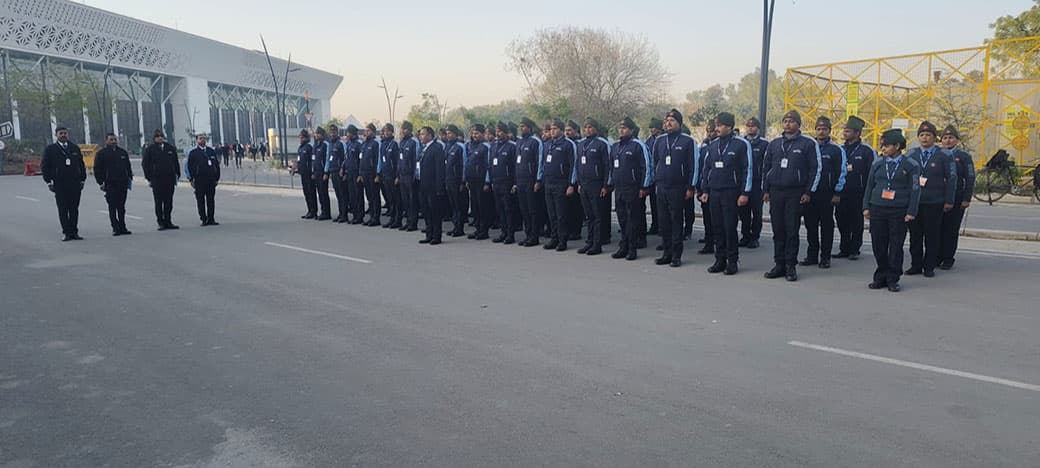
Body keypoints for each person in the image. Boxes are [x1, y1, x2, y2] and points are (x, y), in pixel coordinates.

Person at [762, 110, 821, 282]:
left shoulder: (807, 144)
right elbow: (765, 167)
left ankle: (790, 266)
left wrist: (808, 191)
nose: (788, 124)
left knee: (791, 230)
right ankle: (778, 263)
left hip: (795, 192)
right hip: (776, 192)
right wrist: (765, 190)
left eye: (791, 121)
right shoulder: (774, 143)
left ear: (798, 124)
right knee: (778, 229)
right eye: (785, 121)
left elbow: (814, 169)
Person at [864, 129, 921, 292]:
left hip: (898, 210)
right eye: (882, 146)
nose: (883, 149)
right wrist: (866, 206)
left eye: (887, 146)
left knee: (895, 246)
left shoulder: (910, 165)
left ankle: (893, 278)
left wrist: (911, 211)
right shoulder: (878, 163)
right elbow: (869, 186)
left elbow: (915, 189)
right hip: (878, 208)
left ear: (897, 146)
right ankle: (880, 276)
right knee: (878, 245)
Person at [699, 112, 752, 274]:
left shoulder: (741, 144)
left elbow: (747, 169)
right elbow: (706, 169)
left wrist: (745, 192)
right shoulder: (712, 145)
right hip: (714, 191)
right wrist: (705, 190)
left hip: (731, 192)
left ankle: (732, 261)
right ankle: (719, 259)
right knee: (717, 227)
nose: (717, 128)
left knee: (730, 227)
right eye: (716, 125)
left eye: (720, 125)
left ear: (729, 126)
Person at [904, 121, 956, 278]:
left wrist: (949, 200)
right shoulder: (911, 154)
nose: (925, 138)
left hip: (935, 201)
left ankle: (929, 266)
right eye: (921, 135)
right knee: (915, 236)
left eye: (928, 135)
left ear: (935, 138)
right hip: (915, 203)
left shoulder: (945, 155)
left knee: (932, 235)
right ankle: (916, 265)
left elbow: (952, 178)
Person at [651, 109, 698, 267]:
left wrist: (691, 186)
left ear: (679, 123)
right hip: (662, 186)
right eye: (666, 121)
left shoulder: (688, 141)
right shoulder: (660, 140)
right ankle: (666, 253)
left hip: (678, 187)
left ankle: (676, 256)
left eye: (672, 120)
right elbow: (655, 162)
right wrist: (655, 180)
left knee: (676, 221)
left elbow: (693, 166)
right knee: (663, 222)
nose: (668, 123)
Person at [800, 116, 847, 269]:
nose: (821, 132)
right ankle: (812, 255)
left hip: (827, 193)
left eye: (824, 129)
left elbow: (842, 172)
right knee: (810, 225)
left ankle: (825, 256)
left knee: (826, 226)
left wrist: (837, 192)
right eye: (818, 129)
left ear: (829, 131)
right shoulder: (808, 146)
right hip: (810, 193)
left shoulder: (836, 149)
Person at [609, 117, 653, 261]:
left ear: (631, 130)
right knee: (622, 218)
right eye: (620, 128)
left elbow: (646, 167)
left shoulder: (638, 145)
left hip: (633, 188)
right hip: (619, 188)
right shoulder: (615, 146)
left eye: (625, 128)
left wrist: (644, 186)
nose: (621, 130)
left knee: (632, 219)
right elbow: (611, 167)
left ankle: (632, 248)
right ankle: (624, 246)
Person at [835, 116, 875, 260]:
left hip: (859, 193)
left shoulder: (866, 151)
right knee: (841, 220)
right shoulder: (839, 149)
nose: (845, 133)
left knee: (856, 221)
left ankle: (854, 249)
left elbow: (872, 173)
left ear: (857, 133)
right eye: (844, 130)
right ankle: (844, 248)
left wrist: (869, 195)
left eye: (848, 131)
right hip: (842, 192)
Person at [938, 125, 975, 270]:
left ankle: (948, 258)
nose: (947, 141)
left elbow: (970, 178)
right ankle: (937, 256)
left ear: (957, 140)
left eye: (951, 138)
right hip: (939, 197)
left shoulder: (963, 156)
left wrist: (967, 198)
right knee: (938, 229)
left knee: (951, 229)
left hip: (957, 197)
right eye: (945, 138)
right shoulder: (938, 154)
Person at [540, 119, 579, 251]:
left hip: (561, 184)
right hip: (548, 183)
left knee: (561, 214)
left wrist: (571, 184)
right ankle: (554, 238)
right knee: (552, 214)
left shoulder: (568, 144)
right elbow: (543, 163)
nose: (552, 131)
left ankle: (563, 240)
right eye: (551, 129)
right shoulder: (547, 144)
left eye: (555, 129)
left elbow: (574, 165)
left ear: (561, 130)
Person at [41, 127, 86, 241]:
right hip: (59, 184)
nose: (63, 135)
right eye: (61, 133)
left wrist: (82, 179)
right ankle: (66, 232)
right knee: (63, 209)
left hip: (74, 183)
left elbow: (81, 165)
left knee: (74, 209)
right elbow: (45, 166)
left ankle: (74, 232)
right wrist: (48, 181)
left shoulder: (74, 148)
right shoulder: (50, 150)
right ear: (56, 135)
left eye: (65, 133)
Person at [576, 117, 612, 255]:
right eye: (585, 127)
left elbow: (607, 165)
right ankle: (589, 242)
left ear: (596, 128)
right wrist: (579, 183)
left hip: (597, 185)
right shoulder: (581, 144)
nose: (587, 130)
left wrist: (606, 185)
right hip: (584, 185)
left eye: (590, 127)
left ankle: (597, 244)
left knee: (597, 216)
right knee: (589, 215)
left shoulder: (602, 144)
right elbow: (577, 164)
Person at [94, 133, 134, 236]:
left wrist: (129, 178)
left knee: (121, 207)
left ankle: (122, 226)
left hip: (122, 183)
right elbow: (97, 169)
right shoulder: (102, 154)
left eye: (115, 139)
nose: (114, 141)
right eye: (111, 140)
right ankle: (115, 228)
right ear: (106, 141)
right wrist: (100, 182)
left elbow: (128, 167)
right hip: (110, 184)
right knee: (112, 207)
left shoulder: (122, 152)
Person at [141, 129, 181, 230]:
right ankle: (160, 222)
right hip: (157, 180)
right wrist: (149, 178)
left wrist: (177, 174)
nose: (160, 138)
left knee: (169, 202)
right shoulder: (150, 149)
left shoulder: (170, 148)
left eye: (161, 136)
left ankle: (168, 221)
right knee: (159, 202)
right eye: (158, 136)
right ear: (154, 138)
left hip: (169, 179)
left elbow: (175, 162)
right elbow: (145, 164)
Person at [514, 118, 545, 246]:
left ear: (530, 128)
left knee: (533, 210)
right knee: (524, 209)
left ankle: (534, 236)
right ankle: (528, 235)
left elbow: (540, 162)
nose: (521, 129)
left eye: (523, 126)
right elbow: (517, 163)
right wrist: (515, 181)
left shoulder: (536, 142)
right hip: (520, 180)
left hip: (531, 180)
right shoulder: (520, 142)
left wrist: (538, 180)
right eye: (520, 126)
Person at [739, 117, 769, 248]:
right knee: (743, 212)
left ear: (758, 128)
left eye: (753, 126)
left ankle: (755, 237)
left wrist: (766, 187)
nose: (750, 128)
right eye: (748, 126)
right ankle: (745, 236)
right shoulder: (741, 142)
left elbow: (767, 165)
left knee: (756, 212)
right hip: (744, 183)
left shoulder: (764, 144)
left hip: (757, 184)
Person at [489, 122, 519, 244]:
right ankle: (503, 232)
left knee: (508, 209)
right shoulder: (494, 145)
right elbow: (490, 164)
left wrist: (514, 183)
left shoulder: (512, 146)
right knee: (499, 208)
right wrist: (491, 180)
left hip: (507, 182)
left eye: (500, 131)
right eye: (497, 131)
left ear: (506, 133)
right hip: (496, 181)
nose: (498, 134)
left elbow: (515, 166)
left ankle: (510, 234)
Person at [418, 126, 446, 245]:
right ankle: (429, 234)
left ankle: (436, 236)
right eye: (420, 134)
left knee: (435, 211)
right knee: (426, 211)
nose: (421, 136)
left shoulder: (437, 148)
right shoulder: (424, 149)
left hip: (433, 185)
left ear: (430, 135)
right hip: (423, 184)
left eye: (423, 134)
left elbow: (440, 169)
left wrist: (439, 187)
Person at [186, 134, 221, 226]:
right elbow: (189, 167)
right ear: (197, 140)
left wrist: (217, 178)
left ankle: (211, 218)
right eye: (200, 138)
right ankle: (203, 219)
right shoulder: (193, 153)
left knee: (211, 200)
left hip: (210, 180)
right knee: (200, 200)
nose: (202, 140)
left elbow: (216, 165)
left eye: (204, 138)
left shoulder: (211, 151)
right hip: (199, 180)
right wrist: (191, 179)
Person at [466, 124, 493, 239]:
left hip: (481, 181)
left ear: (483, 134)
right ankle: (478, 229)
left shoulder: (486, 147)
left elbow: (488, 166)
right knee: (475, 206)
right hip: (472, 180)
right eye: (473, 133)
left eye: (477, 133)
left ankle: (484, 230)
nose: (474, 135)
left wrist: (487, 182)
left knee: (483, 207)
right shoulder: (472, 146)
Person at [695, 122, 718, 254]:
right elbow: (700, 168)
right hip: (705, 188)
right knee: (707, 217)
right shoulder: (703, 147)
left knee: (718, 219)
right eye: (708, 131)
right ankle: (709, 242)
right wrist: (699, 187)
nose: (711, 133)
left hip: (718, 187)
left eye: (713, 130)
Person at [442, 124, 467, 237]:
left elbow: (464, 164)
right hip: (448, 179)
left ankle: (460, 228)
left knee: (459, 205)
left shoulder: (460, 147)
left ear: (456, 134)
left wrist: (462, 181)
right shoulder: (446, 146)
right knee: (452, 205)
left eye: (450, 133)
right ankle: (455, 226)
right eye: (447, 133)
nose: (448, 135)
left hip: (457, 180)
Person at [397, 121, 422, 231]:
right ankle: (407, 221)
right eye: (402, 129)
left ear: (410, 130)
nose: (403, 131)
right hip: (402, 175)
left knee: (412, 201)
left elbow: (417, 160)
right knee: (405, 200)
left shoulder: (414, 142)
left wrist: (415, 176)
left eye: (405, 129)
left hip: (410, 176)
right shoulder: (402, 142)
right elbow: (399, 159)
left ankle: (413, 223)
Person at [563, 119, 585, 241]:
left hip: (576, 180)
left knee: (576, 207)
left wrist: (574, 181)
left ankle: (576, 231)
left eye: (570, 130)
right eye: (566, 130)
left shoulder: (578, 144)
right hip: (565, 179)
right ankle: (569, 229)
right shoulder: (565, 143)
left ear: (576, 131)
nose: (567, 133)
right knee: (568, 208)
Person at [378, 124, 401, 228]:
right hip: (385, 174)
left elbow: (397, 162)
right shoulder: (383, 144)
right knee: (390, 198)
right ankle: (392, 218)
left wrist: (397, 176)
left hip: (393, 175)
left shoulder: (394, 144)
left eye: (388, 131)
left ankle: (398, 219)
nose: (386, 133)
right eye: (385, 131)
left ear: (392, 132)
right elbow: (382, 161)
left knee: (396, 198)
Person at [359, 123, 383, 226]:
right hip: (364, 173)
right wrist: (360, 173)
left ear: (373, 132)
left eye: (368, 131)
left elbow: (378, 159)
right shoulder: (364, 144)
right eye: (365, 130)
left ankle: (376, 218)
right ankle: (371, 216)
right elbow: (361, 159)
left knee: (374, 196)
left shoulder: (375, 144)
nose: (366, 132)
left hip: (372, 173)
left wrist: (377, 174)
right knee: (369, 196)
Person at [341, 125, 365, 224]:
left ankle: (360, 216)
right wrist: (343, 169)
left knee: (358, 195)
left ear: (352, 133)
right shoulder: (349, 144)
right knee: (352, 196)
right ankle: (355, 215)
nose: (347, 134)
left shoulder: (359, 145)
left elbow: (361, 161)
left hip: (356, 173)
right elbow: (346, 158)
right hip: (349, 173)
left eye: (348, 133)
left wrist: (360, 174)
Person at [645, 117, 664, 237]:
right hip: (653, 177)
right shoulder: (649, 140)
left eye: (654, 127)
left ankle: (663, 227)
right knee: (653, 203)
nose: (652, 130)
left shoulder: (663, 139)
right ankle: (655, 224)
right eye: (650, 128)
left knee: (662, 206)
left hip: (662, 177)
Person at [324, 125, 346, 222]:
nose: (332, 133)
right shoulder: (330, 144)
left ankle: (344, 214)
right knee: (338, 194)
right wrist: (327, 171)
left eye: (334, 132)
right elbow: (328, 159)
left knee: (342, 194)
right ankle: (341, 213)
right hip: (333, 171)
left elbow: (345, 157)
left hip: (339, 172)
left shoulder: (340, 143)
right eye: (331, 132)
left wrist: (342, 168)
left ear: (337, 132)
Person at [294, 129, 317, 219]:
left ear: (306, 138)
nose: (300, 139)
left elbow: (311, 162)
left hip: (309, 174)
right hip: (303, 173)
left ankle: (314, 211)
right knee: (306, 193)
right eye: (300, 137)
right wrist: (295, 168)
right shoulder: (300, 148)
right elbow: (299, 161)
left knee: (311, 193)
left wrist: (312, 172)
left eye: (302, 137)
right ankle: (309, 210)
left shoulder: (309, 148)